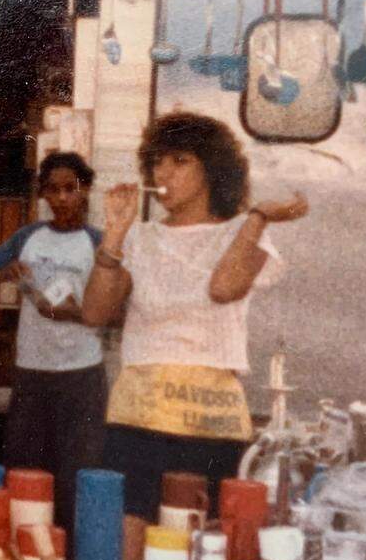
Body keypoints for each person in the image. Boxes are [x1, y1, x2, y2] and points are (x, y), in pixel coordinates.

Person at [82, 111, 308, 519]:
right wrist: (114, 237)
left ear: (212, 170)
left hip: (212, 422)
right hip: (138, 415)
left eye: (180, 161)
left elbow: (223, 289)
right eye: (158, 162)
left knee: (199, 547)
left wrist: (257, 218)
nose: (164, 172)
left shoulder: (242, 231)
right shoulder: (141, 236)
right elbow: (96, 312)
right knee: (130, 547)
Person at [0, 152, 106, 534]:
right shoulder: (28, 236)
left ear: (86, 190)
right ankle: (20, 558)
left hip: (82, 375)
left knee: (75, 475)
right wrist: (4, 272)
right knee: (25, 471)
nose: (62, 198)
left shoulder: (98, 243)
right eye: (53, 190)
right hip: (32, 373)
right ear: (43, 193)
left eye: (71, 189)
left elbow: (119, 311)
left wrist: (75, 312)